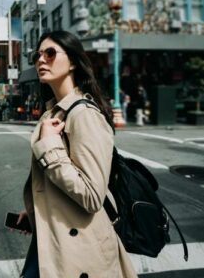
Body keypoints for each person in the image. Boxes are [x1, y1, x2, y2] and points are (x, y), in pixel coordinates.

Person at [17, 30, 137, 277]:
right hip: (52, 238)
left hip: (80, 252)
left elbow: (92, 195)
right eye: (37, 55)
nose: (41, 60)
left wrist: (50, 147)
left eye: (50, 53)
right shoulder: (54, 113)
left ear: (72, 62)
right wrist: (37, 208)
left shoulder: (84, 114)